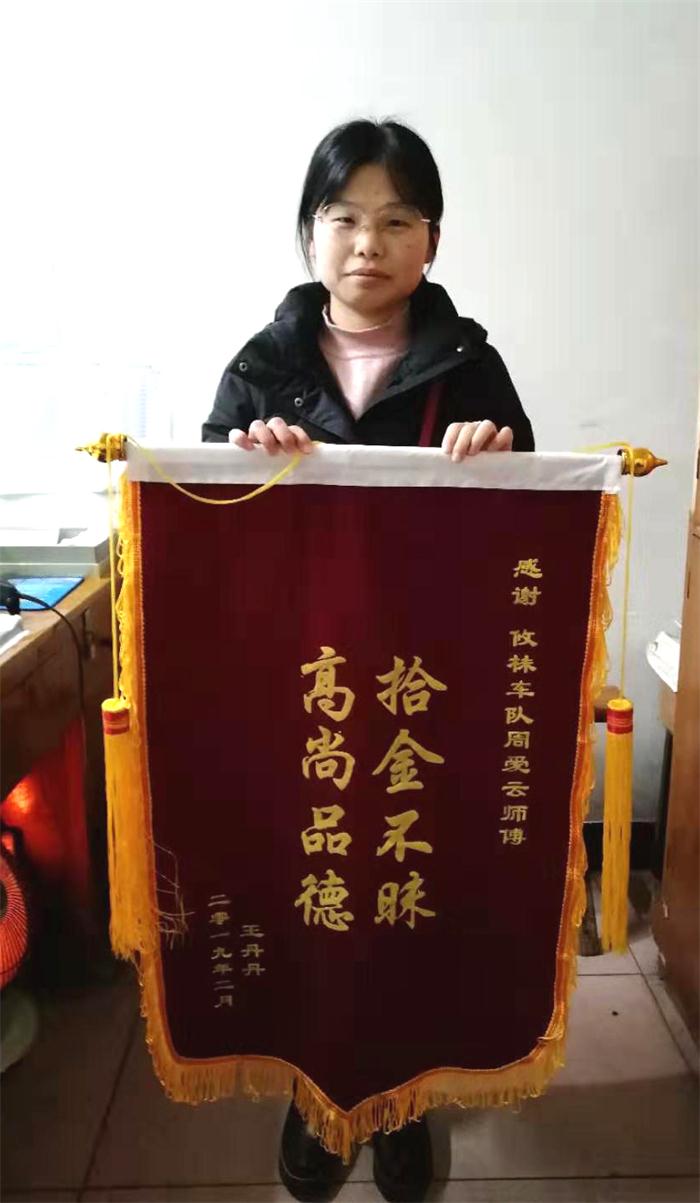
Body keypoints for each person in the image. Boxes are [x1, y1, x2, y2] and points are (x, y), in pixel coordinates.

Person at [203, 118, 535, 1203]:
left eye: (396, 221)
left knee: (406, 895)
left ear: (431, 240)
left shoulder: (473, 368)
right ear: (310, 234)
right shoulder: (260, 368)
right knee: (309, 894)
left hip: (419, 696)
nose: (367, 243)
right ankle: (317, 1095)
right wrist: (242, 464)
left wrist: (496, 461)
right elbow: (202, 526)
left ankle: (402, 1097)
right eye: (344, 217)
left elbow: (532, 534)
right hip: (298, 691)